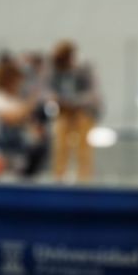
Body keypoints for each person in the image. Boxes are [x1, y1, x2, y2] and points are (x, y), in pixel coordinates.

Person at [49, 40, 101, 181]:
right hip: (64, 112)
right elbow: (49, 89)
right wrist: (57, 99)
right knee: (60, 146)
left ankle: (84, 179)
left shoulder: (85, 68)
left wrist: (74, 102)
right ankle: (58, 178)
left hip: (83, 112)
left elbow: (93, 94)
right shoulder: (56, 69)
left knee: (83, 148)